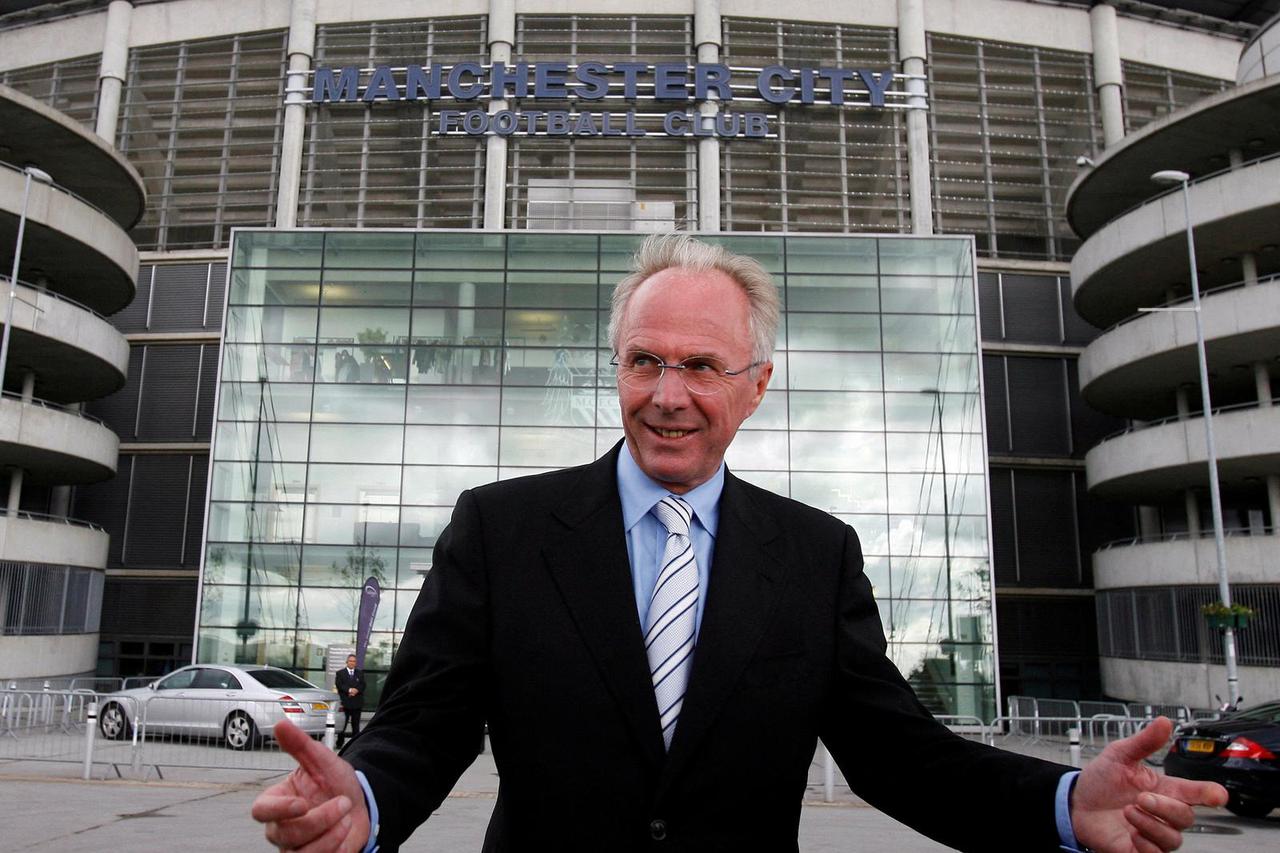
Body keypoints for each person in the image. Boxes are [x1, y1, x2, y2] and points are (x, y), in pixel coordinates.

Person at [253, 234, 1226, 852]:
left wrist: (1062, 803)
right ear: (616, 367)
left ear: (753, 384)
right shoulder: (501, 530)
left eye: (699, 366)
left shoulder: (814, 555)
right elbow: (427, 723)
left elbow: (897, 755)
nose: (666, 393)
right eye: (643, 361)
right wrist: (365, 801)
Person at [334, 654, 366, 750]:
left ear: (355, 663)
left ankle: (355, 745)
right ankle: (340, 743)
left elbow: (363, 685)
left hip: (357, 703)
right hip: (345, 703)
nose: (352, 663)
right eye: (350, 661)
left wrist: (356, 690)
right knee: (342, 725)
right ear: (347, 662)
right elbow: (339, 685)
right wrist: (349, 690)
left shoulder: (360, 673)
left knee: (355, 725)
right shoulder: (340, 673)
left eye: (354, 661)